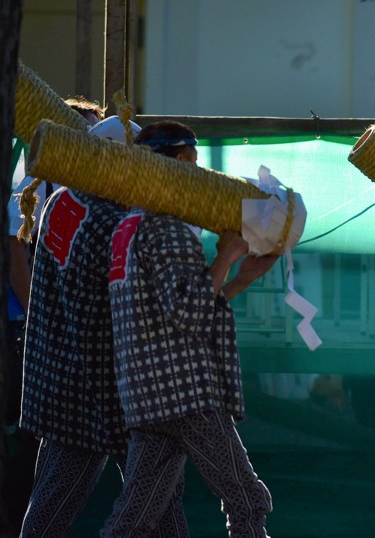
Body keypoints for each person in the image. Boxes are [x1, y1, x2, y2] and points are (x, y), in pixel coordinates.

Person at [102, 121, 279, 537]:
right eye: (196, 164)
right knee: (247, 500)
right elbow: (188, 311)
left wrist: (239, 280)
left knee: (135, 516)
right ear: (181, 161)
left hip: (144, 393)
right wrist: (228, 257)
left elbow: (167, 308)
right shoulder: (168, 226)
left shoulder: (127, 227)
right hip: (185, 393)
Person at [17, 117, 191, 538]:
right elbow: (123, 317)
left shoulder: (62, 201)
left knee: (50, 506)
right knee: (158, 511)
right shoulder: (113, 223)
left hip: (59, 386)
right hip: (104, 397)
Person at [4, 95, 103, 527]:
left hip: (71, 339)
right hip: (29, 329)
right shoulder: (32, 186)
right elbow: (15, 253)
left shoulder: (94, 194)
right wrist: (39, 317)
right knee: (31, 440)